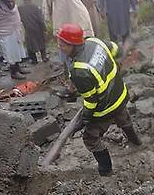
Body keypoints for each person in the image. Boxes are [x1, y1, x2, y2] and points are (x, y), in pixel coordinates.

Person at [56, 23, 141, 176]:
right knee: (124, 119)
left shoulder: (80, 70)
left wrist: (85, 120)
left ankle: (106, 170)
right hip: (120, 94)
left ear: (73, 44)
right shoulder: (95, 41)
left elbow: (91, 102)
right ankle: (136, 142)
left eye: (63, 44)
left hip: (106, 107)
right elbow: (117, 49)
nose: (59, 46)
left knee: (90, 139)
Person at [0, 0, 29, 81]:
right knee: (10, 53)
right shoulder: (0, 10)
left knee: (16, 51)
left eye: (13, 1)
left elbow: (16, 20)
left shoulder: (15, 8)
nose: (11, 3)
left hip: (14, 33)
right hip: (5, 35)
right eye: (9, 1)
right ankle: (14, 72)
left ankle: (18, 68)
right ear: (5, 0)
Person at [18, 0, 48, 64]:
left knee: (30, 45)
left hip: (28, 29)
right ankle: (44, 57)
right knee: (41, 43)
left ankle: (34, 60)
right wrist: (45, 29)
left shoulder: (20, 8)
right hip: (37, 28)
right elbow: (40, 20)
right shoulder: (35, 7)